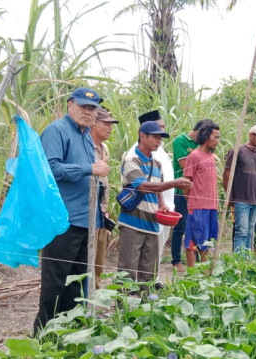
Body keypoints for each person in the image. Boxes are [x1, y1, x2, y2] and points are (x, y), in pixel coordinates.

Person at [35, 87, 110, 334]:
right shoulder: (57, 131)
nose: (87, 112)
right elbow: (51, 170)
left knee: (78, 283)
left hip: (84, 221)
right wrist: (90, 168)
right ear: (70, 105)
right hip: (62, 220)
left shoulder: (86, 135)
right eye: (83, 107)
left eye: (92, 108)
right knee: (55, 282)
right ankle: (43, 336)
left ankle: (70, 335)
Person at [118, 121, 191, 289]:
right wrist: (175, 183)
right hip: (132, 222)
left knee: (149, 272)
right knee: (127, 271)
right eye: (155, 137)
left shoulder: (156, 162)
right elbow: (143, 186)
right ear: (142, 136)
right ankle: (123, 310)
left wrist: (162, 203)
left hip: (152, 223)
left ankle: (146, 307)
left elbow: (158, 185)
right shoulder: (132, 159)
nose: (159, 141)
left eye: (160, 138)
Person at [170, 119, 209, 272]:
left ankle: (196, 258)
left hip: (198, 193)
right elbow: (185, 165)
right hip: (181, 191)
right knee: (181, 227)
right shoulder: (180, 141)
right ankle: (176, 260)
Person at [223, 124, 256, 254]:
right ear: (251, 135)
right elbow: (227, 173)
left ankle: (246, 261)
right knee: (241, 231)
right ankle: (238, 262)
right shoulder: (238, 151)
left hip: (255, 200)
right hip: (241, 199)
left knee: (249, 231)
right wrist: (229, 195)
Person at [182, 120, 221, 267]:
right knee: (193, 238)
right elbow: (186, 183)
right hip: (197, 205)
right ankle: (192, 273)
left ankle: (203, 271)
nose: (217, 141)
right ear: (205, 136)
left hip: (211, 206)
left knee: (208, 239)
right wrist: (191, 201)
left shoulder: (211, 156)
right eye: (215, 137)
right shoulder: (194, 156)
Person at [91, 108, 117, 288]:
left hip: (101, 211)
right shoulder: (85, 146)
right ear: (94, 122)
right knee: (87, 255)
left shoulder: (104, 148)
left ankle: (96, 292)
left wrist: (104, 209)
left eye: (111, 124)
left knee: (99, 258)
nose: (110, 128)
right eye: (106, 124)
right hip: (87, 210)